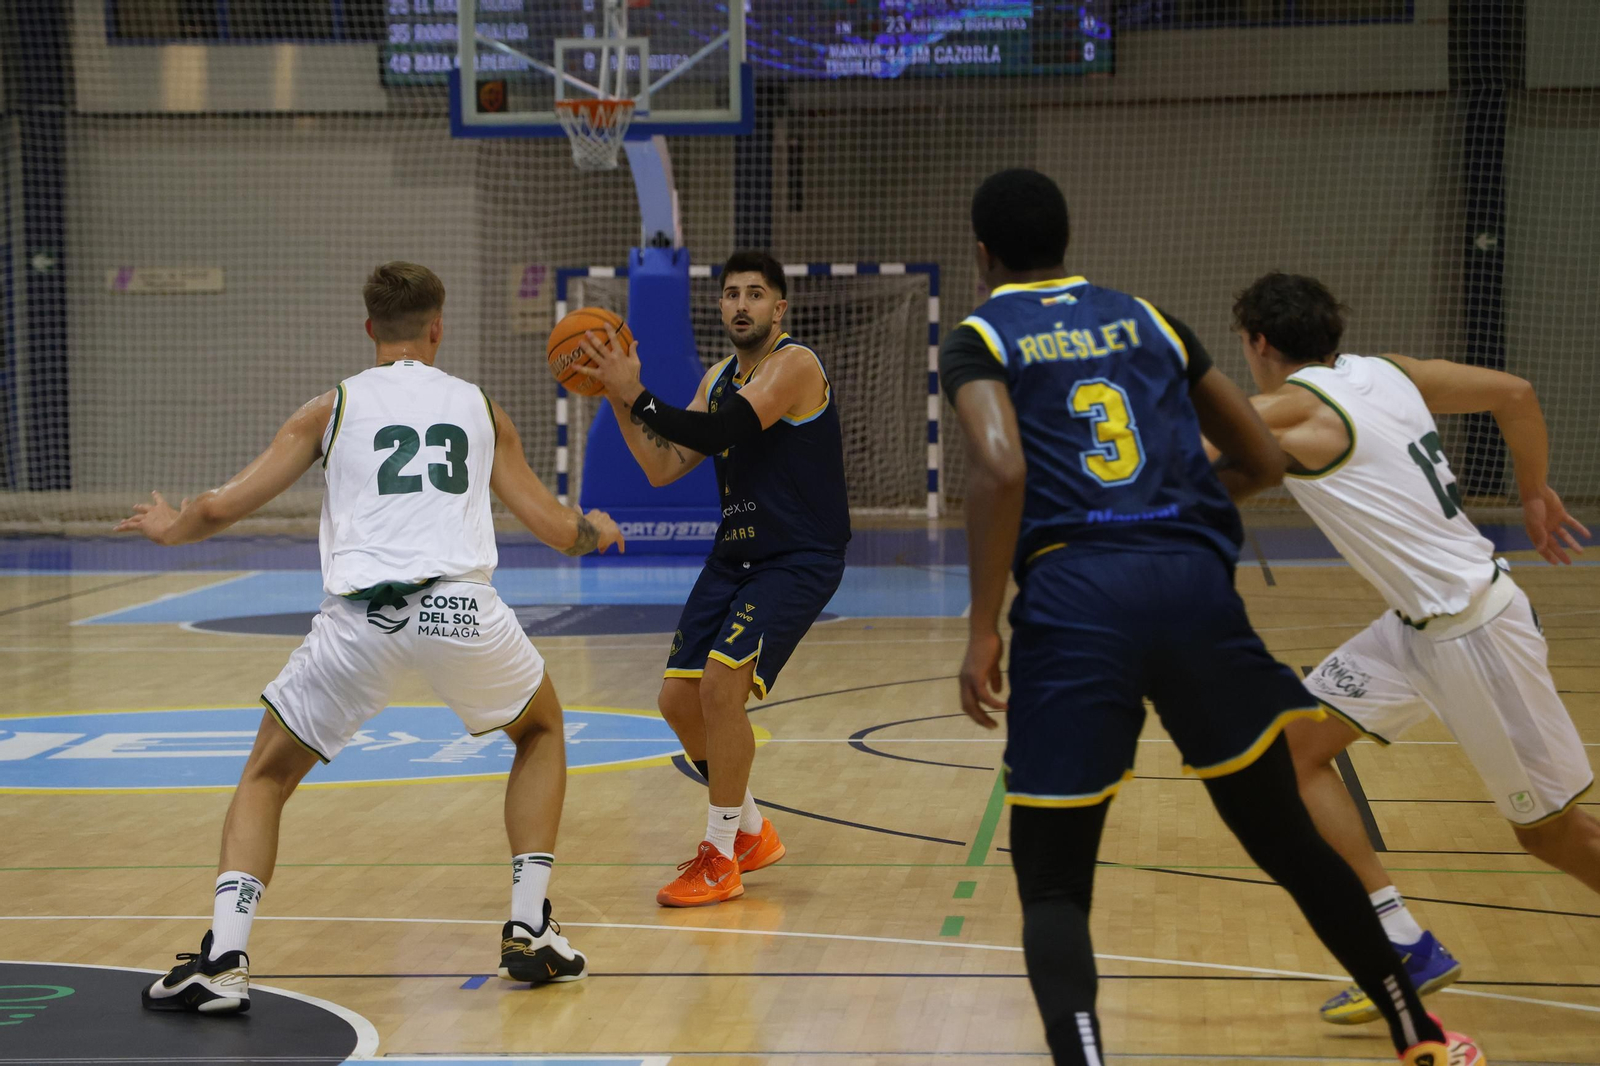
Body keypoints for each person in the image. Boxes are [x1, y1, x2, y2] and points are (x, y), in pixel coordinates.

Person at [940, 169, 1480, 1066]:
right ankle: (1420, 1036)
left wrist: (980, 625)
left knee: (1055, 883)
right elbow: (1263, 458)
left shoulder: (983, 333)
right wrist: (1179, 504)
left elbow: (1001, 470)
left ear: (985, 255)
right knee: (1284, 835)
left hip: (1079, 597)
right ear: (1067, 240)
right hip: (1191, 584)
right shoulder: (1147, 318)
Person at [119, 262, 622, 1013]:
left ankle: (224, 959)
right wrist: (596, 530)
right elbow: (556, 531)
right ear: (437, 326)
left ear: (369, 330)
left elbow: (224, 507)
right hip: (461, 611)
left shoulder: (333, 407)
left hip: (359, 623)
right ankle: (528, 926)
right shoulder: (481, 409)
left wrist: (169, 528)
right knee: (541, 730)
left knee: (266, 776)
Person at [1228, 270, 1596, 1027]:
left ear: (1258, 343)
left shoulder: (1293, 408)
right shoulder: (1388, 373)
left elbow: (1195, 451)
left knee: (1552, 836)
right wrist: (1533, 490)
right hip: (1416, 626)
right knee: (1291, 751)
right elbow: (1517, 394)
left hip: (1474, 634)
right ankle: (1400, 942)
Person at [574, 249, 850, 907]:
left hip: (798, 556)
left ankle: (719, 856)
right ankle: (751, 830)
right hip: (736, 555)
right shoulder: (718, 376)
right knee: (677, 700)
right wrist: (617, 394)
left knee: (723, 687)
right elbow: (662, 466)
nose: (741, 305)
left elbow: (725, 427)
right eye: (730, 294)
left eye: (755, 294)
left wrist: (638, 391)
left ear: (778, 308)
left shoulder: (795, 366)